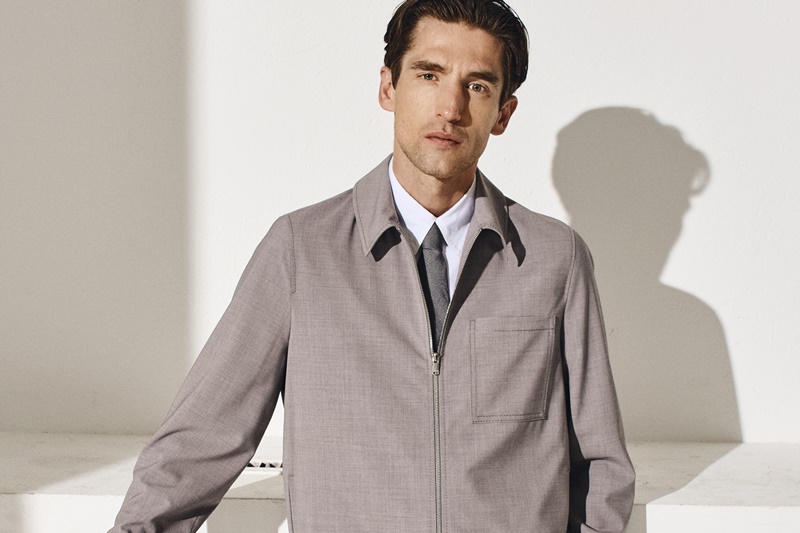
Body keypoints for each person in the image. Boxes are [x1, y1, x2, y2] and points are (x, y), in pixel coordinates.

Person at [111, 1, 635, 531]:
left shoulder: (555, 259)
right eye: (429, 75)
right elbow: (197, 443)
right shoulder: (301, 252)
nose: (450, 107)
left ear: (503, 113)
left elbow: (601, 466)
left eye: (477, 85)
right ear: (388, 87)